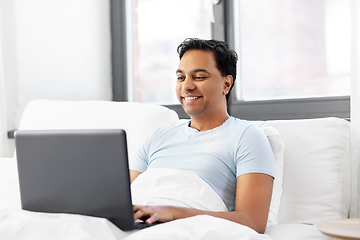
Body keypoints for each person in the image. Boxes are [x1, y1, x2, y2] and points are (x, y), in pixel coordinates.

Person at [129, 38, 274, 234]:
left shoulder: (247, 136)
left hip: (186, 229)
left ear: (226, 84)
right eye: (181, 78)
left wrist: (174, 213)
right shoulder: (156, 137)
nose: (186, 86)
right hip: (139, 224)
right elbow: (121, 198)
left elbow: (253, 221)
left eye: (198, 77)